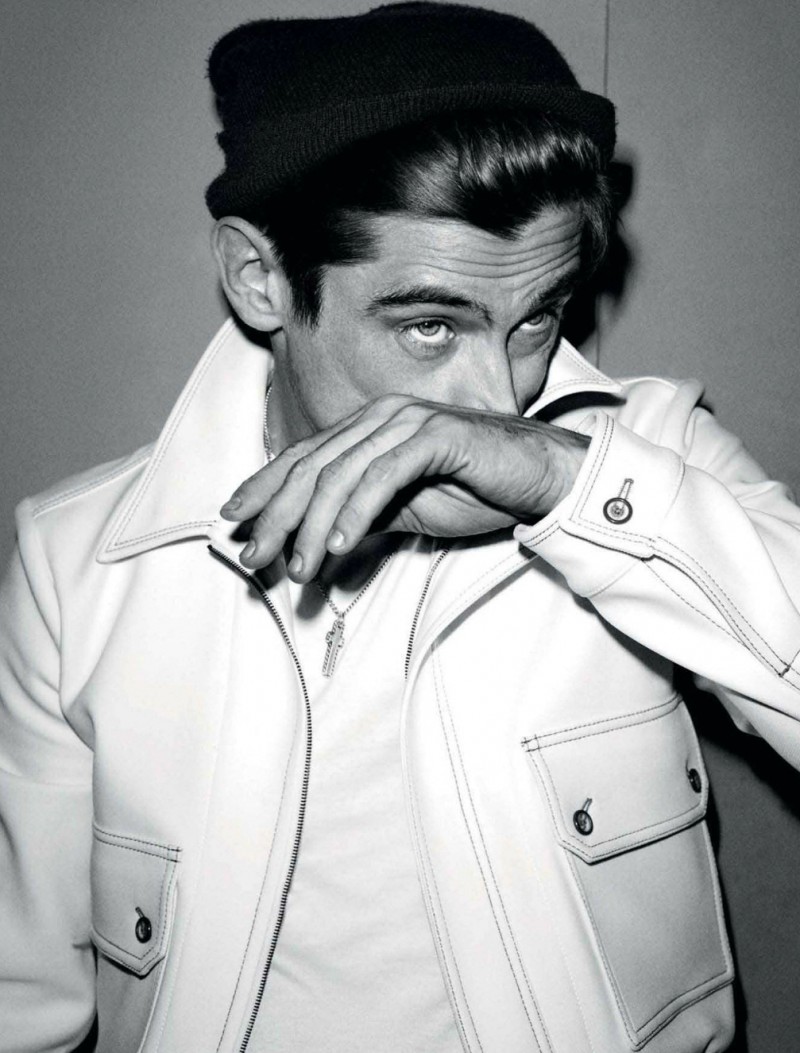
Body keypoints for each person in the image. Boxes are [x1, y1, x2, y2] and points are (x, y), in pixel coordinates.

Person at [1, 3, 799, 1051]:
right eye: (429, 325)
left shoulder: (653, 462)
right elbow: (21, 1002)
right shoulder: (77, 563)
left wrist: (564, 483)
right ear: (259, 279)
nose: (496, 400)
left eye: (537, 318)